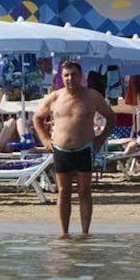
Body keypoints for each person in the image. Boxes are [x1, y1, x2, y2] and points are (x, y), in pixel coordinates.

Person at [33, 58, 117, 239]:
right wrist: (45, 139)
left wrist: (101, 139)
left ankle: (85, 232)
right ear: (61, 77)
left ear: (81, 76)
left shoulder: (92, 96)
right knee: (63, 192)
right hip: (61, 150)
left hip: (84, 148)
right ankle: (64, 232)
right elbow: (37, 118)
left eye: (73, 75)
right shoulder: (54, 97)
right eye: (66, 75)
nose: (70, 78)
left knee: (84, 191)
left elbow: (111, 117)